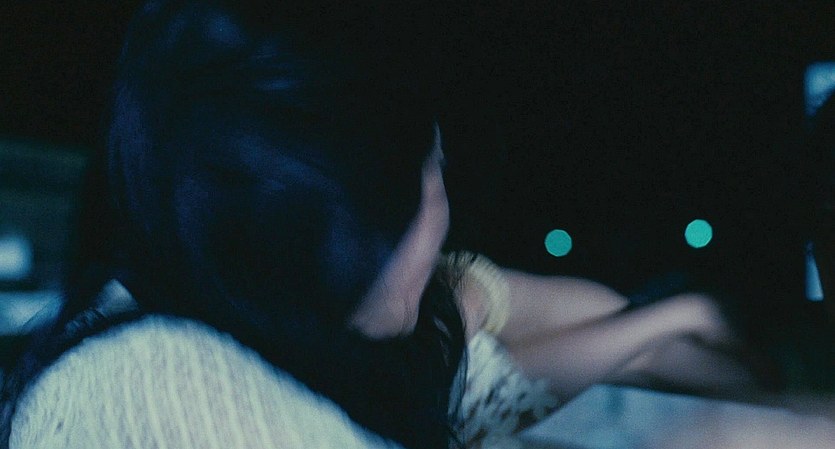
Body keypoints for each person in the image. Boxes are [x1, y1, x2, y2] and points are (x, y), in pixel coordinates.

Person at [0, 1, 763, 448]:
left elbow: (470, 379)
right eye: (425, 176)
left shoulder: (274, 323)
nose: (441, 210)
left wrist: (666, 324)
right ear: (341, 225)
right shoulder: (151, 386)